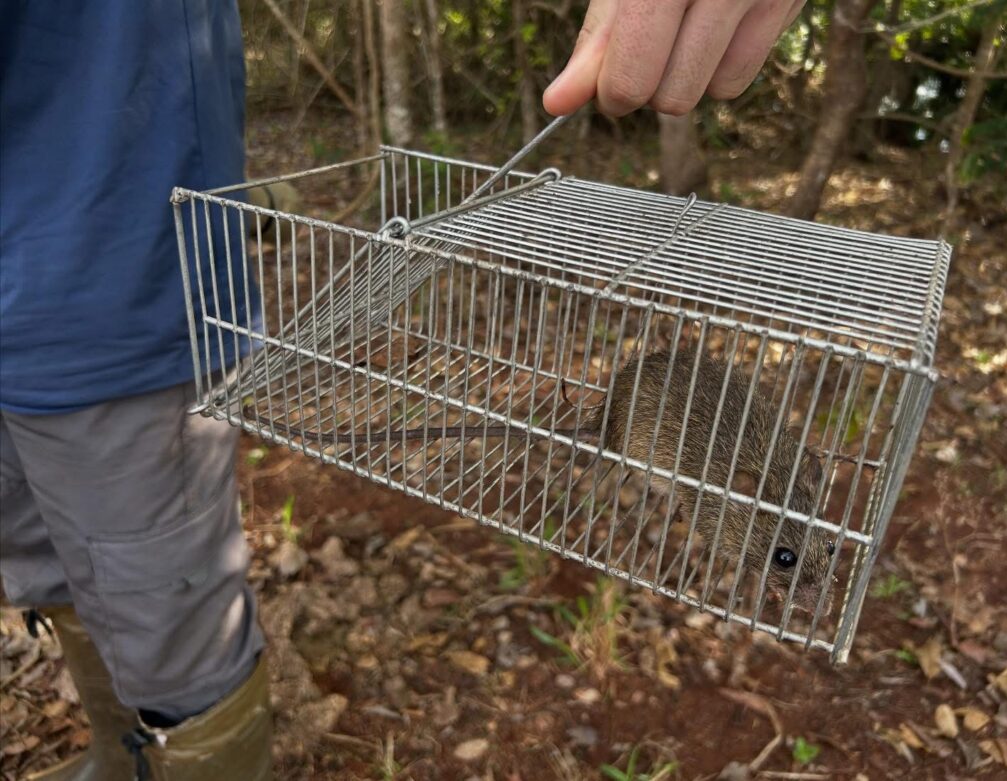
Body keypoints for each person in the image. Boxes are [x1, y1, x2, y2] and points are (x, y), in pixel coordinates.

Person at [0, 1, 797, 778]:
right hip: (32, 306)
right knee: (43, 558)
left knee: (161, 619)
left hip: (111, 311)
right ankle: (117, 756)